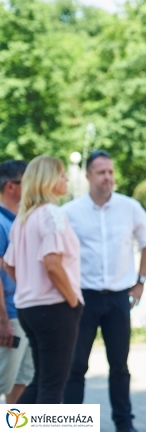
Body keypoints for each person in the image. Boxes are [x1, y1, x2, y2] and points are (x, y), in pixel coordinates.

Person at [62, 150, 146, 432]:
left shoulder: (130, 207)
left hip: (118, 299)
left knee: (120, 366)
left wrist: (140, 282)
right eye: (101, 172)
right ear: (88, 175)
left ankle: (124, 424)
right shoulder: (70, 212)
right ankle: (71, 424)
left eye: (111, 172)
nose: (107, 177)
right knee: (76, 366)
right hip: (83, 299)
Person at [4, 155, 83, 403]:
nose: (66, 179)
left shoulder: (23, 218)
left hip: (28, 310)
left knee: (40, 381)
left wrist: (29, 287)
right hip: (55, 308)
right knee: (52, 386)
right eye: (62, 175)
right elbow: (52, 264)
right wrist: (73, 300)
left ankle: (13, 424)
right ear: (48, 180)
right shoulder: (51, 213)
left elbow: (8, 264)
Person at [0, 160, 34, 403]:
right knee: (3, 381)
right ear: (11, 186)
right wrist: (2, 321)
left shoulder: (21, 221)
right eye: (28, 182)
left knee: (21, 382)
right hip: (9, 317)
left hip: (25, 313)